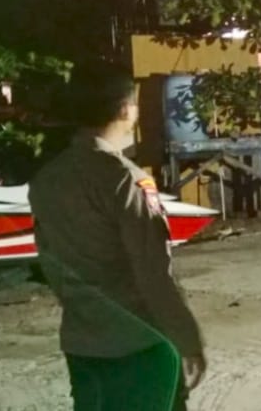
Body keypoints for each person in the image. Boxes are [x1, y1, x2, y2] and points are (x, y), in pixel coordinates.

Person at [28, 63, 206, 411]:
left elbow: (48, 262)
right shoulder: (125, 179)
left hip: (82, 344)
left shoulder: (47, 179)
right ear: (126, 110)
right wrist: (186, 338)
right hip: (139, 344)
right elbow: (154, 272)